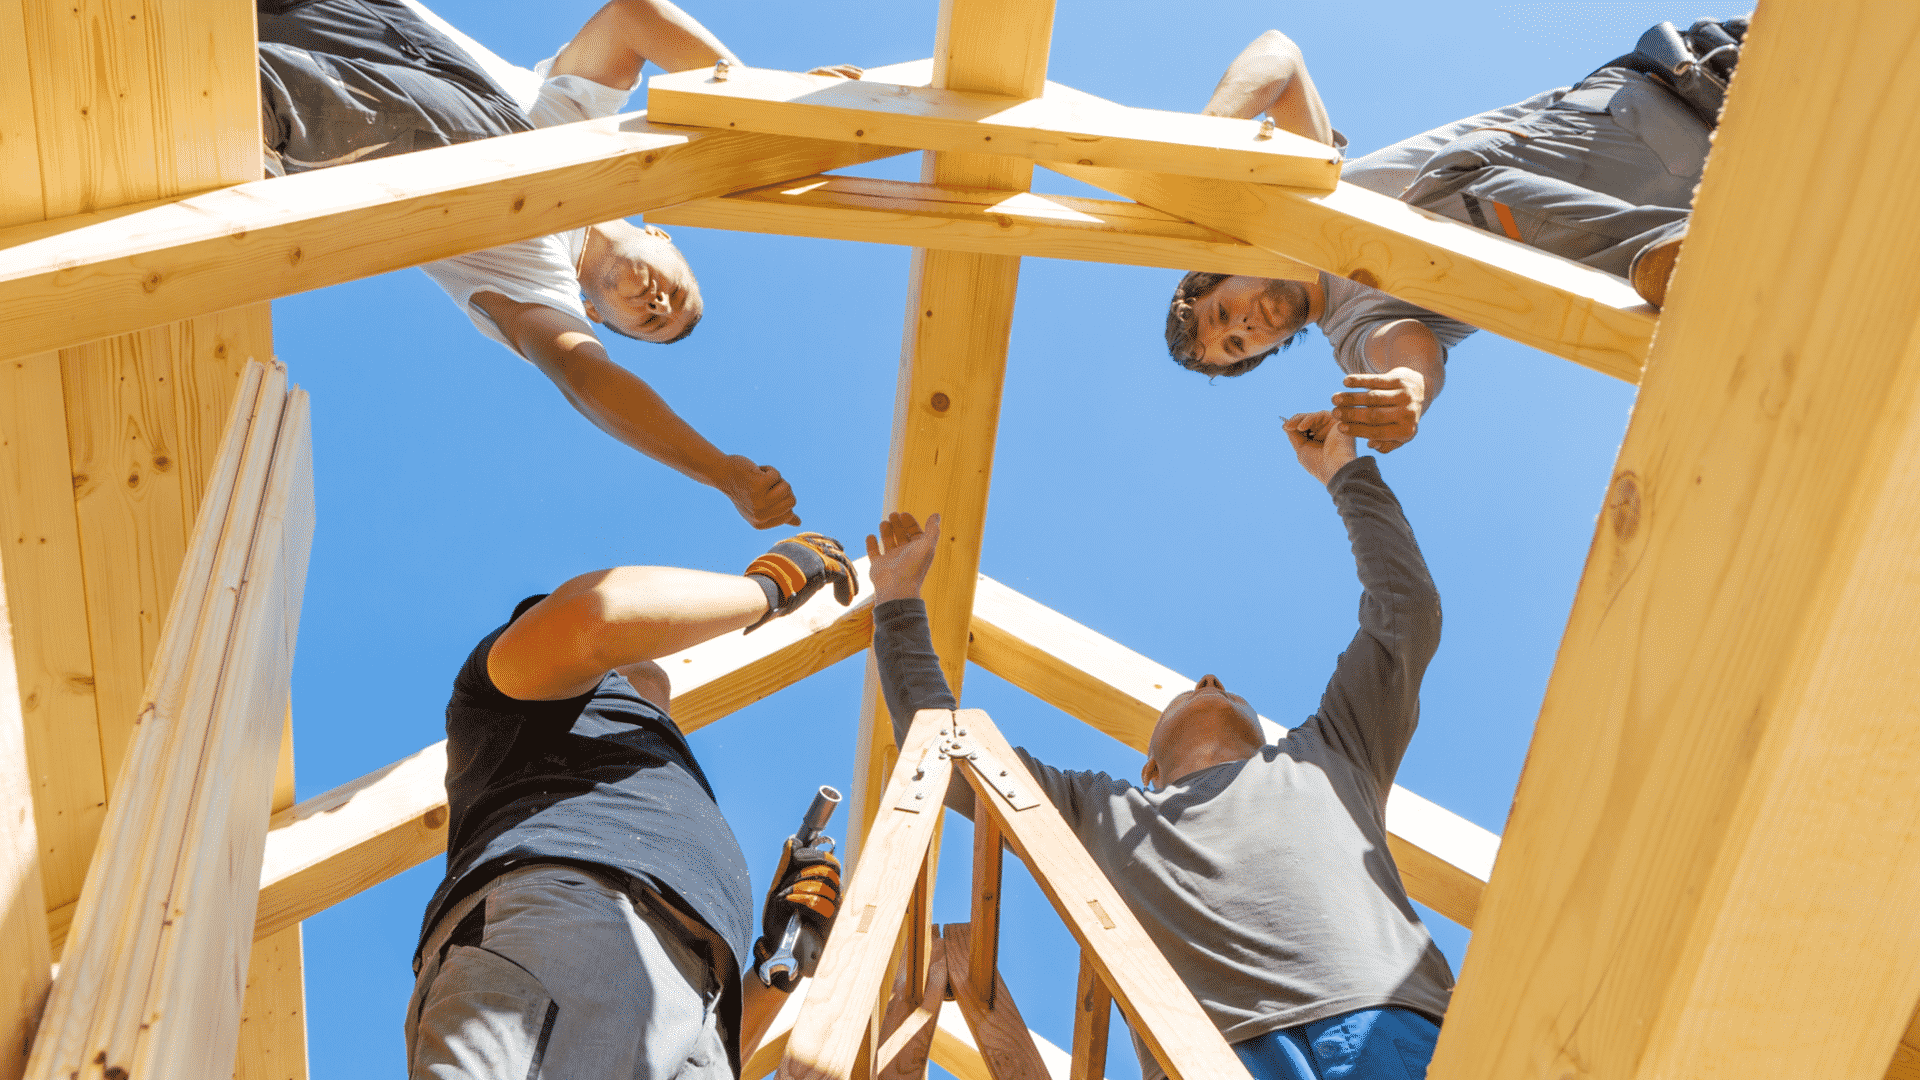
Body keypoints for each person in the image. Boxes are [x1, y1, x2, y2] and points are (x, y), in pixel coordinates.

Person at [862, 415, 1450, 1080]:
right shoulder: (1104, 812)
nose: (1208, 679)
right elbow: (949, 753)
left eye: (1226, 688)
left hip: (1386, 1018)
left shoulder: (1330, 752)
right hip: (1209, 1058)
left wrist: (1345, 470)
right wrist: (898, 604)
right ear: (1148, 769)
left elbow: (1407, 611)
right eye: (1185, 691)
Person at [257, 0, 853, 528]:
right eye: (677, 292)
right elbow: (631, 18)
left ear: (591, 311)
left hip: (273, 94)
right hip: (338, 10)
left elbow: (582, 374)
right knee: (522, 143)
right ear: (664, 237)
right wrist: (762, 102)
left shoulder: (528, 271)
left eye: (649, 321)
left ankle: (246, 108)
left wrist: (720, 472)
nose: (658, 302)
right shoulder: (584, 127)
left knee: (502, 161)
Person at [1164, 17, 1746, 453]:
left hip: (1677, 91)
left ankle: (1686, 257)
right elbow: (1405, 348)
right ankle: (1698, 262)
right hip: (1739, 181)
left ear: (1220, 270)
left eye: (1221, 315)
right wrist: (1408, 388)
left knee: (1436, 200)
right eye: (1239, 345)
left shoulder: (1307, 194)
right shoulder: (1353, 333)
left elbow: (1279, 56)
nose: (1243, 326)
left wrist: (1205, 140)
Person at [405, 533, 858, 1079]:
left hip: (689, 994)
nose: (652, 659)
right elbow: (595, 614)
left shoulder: (641, 758)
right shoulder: (511, 701)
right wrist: (766, 590)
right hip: (572, 912)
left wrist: (772, 966)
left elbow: (678, 1033)